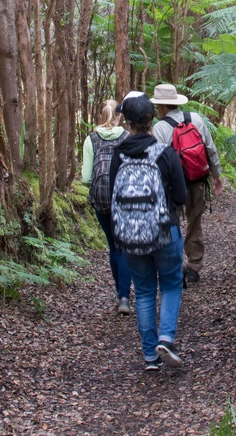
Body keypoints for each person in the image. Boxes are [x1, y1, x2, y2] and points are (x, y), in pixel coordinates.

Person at [110, 94, 188, 370]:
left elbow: (112, 198)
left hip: (130, 237)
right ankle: (166, 338)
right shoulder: (165, 153)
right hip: (165, 232)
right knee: (170, 283)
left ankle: (149, 356)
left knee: (143, 291)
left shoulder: (118, 155)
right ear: (151, 120)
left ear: (127, 123)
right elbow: (181, 196)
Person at [149, 83, 223, 285]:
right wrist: (216, 175)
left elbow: (157, 160)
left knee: (172, 222)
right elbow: (210, 149)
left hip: (171, 186)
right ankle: (194, 264)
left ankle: (175, 264)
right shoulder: (196, 119)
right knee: (194, 221)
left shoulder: (160, 128)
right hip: (196, 179)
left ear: (162, 106)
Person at [80, 99, 132, 315]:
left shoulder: (91, 139)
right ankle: (124, 297)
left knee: (113, 246)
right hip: (123, 201)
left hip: (102, 202)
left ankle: (118, 292)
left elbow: (85, 178)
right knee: (124, 248)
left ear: (101, 116)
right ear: (118, 116)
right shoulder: (127, 137)